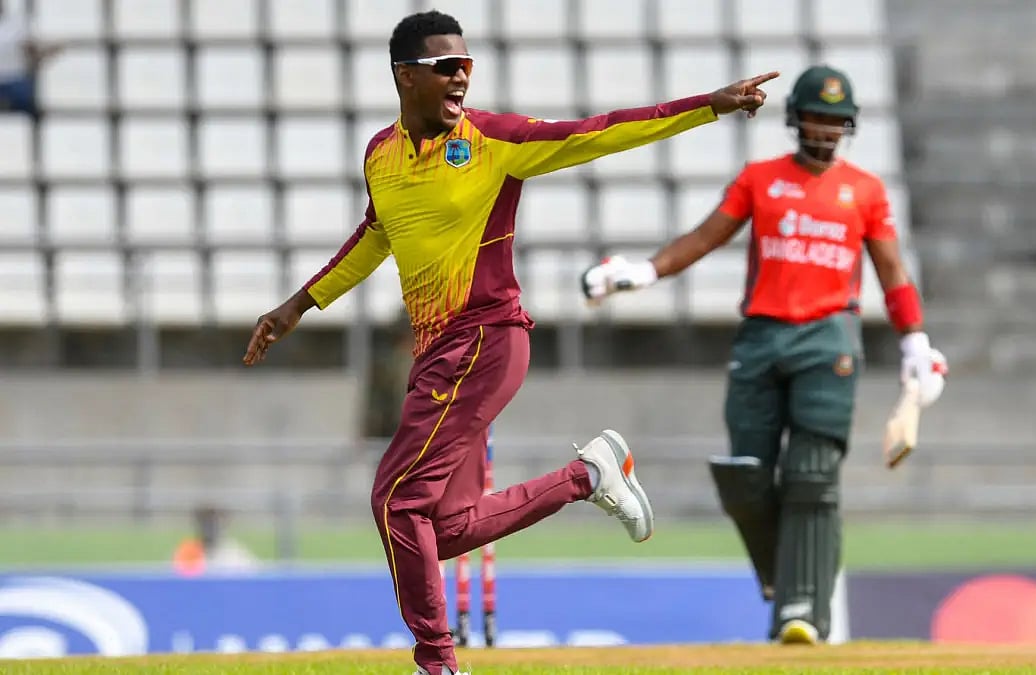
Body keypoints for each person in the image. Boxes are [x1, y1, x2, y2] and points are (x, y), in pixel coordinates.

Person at [240, 10, 777, 675]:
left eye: (466, 65)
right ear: (405, 77)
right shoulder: (381, 154)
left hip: (484, 339)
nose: (461, 77)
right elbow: (376, 235)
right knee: (439, 528)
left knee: (395, 499)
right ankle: (588, 476)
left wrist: (708, 106)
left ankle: (437, 663)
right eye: (445, 67)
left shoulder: (492, 139)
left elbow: (600, 132)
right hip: (437, 354)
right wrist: (298, 304)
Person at [580, 64, 948, 646]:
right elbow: (704, 238)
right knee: (744, 474)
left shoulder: (866, 191)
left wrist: (915, 341)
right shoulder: (761, 179)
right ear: (796, 119)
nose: (825, 130)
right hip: (760, 336)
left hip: (829, 339)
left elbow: (892, 272)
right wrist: (644, 271)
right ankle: (783, 574)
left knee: (811, 476)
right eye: (816, 118)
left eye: (835, 121)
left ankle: (804, 610)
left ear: (848, 126)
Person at [0, 1, 58, 116]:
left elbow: (33, 51)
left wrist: (43, 54)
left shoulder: (16, 24)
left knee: (26, 102)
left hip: (15, 80)